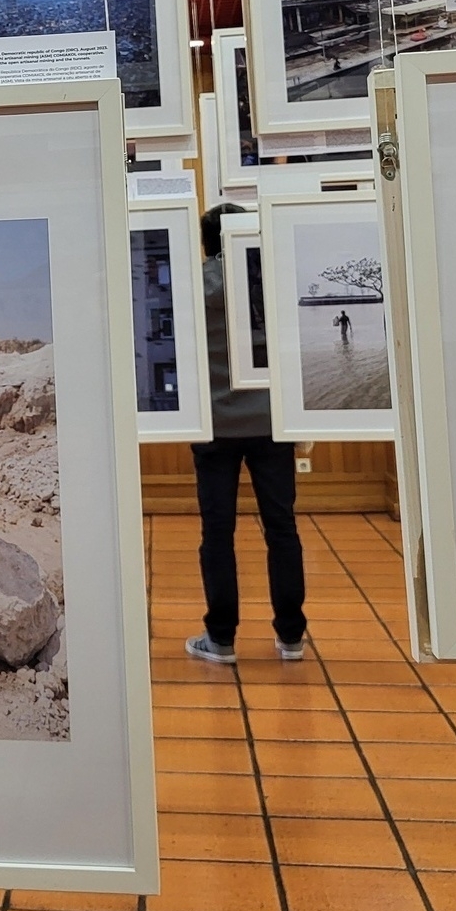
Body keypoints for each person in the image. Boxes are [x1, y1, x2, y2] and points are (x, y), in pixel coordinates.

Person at [185, 204, 307, 665]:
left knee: (217, 532)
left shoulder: (194, 284)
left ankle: (221, 638)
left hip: (213, 425)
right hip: (271, 424)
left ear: (206, 242)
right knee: (282, 528)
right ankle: (291, 637)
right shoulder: (270, 283)